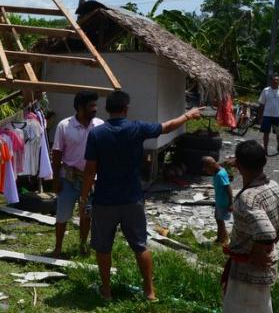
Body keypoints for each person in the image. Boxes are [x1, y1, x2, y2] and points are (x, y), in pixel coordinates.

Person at [79, 91, 201, 301]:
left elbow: (90, 170)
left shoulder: (97, 134)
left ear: (107, 109)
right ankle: (149, 291)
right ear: (126, 109)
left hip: (105, 200)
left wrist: (83, 198)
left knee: (103, 247)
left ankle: (106, 290)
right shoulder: (136, 128)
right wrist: (188, 115)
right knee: (139, 245)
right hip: (132, 198)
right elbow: (167, 126)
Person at [216, 140, 279, 313]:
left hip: (254, 266)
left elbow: (266, 233)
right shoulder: (273, 186)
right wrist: (270, 245)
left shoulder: (248, 198)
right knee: (241, 309)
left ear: (239, 165)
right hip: (249, 262)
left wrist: (258, 251)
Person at [51, 91, 103, 257]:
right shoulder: (64, 126)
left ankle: (82, 247)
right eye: (91, 106)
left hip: (90, 180)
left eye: (95, 105)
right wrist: (55, 179)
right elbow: (57, 154)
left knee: (86, 215)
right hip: (68, 178)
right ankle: (58, 247)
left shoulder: (100, 125)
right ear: (80, 107)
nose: (95, 109)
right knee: (62, 215)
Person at [202, 156, 234, 245]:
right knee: (218, 219)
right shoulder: (217, 171)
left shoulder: (220, 175)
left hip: (223, 202)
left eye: (206, 169)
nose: (206, 171)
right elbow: (219, 164)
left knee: (219, 220)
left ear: (211, 166)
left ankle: (220, 239)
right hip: (219, 201)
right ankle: (224, 236)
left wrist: (231, 203)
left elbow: (228, 188)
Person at [257, 75, 279, 156]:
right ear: (271, 81)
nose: (276, 82)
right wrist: (260, 116)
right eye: (274, 80)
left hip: (278, 115)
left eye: (277, 80)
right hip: (267, 115)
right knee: (266, 133)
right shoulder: (266, 90)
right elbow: (262, 104)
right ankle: (265, 149)